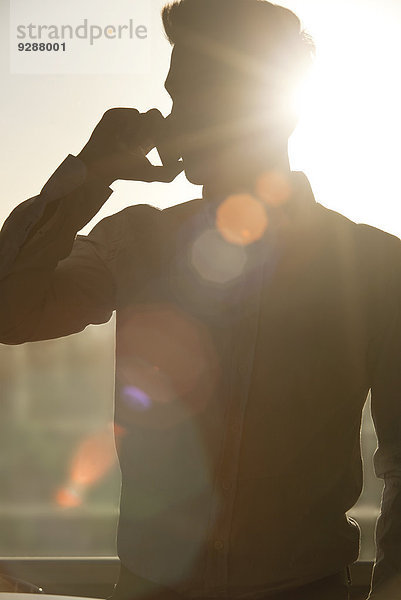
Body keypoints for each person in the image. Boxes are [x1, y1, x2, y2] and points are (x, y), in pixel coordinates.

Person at [0, 1, 400, 599]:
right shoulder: (135, 240)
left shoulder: (373, 266)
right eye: (173, 89)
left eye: (197, 88)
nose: (171, 113)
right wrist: (88, 174)